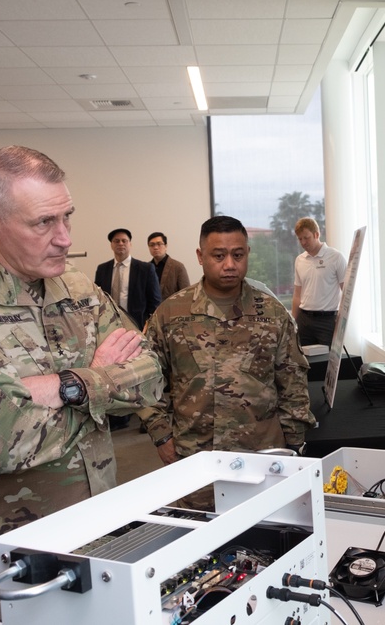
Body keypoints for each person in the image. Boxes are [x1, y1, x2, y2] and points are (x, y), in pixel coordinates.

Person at [0, 145, 164, 565]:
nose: (65, 238)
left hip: (98, 531)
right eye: (43, 222)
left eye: (67, 215)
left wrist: (67, 385)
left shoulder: (77, 288)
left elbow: (151, 376)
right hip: (5, 558)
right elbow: (6, 440)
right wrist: (102, 379)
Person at [141, 216, 315, 507]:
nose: (230, 264)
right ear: (200, 256)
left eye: (238, 255)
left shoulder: (272, 313)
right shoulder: (171, 314)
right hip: (194, 459)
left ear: (247, 253)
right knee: (199, 540)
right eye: (219, 256)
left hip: (262, 458)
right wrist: (161, 437)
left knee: (264, 536)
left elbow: (293, 382)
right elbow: (147, 381)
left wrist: (294, 446)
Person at [291, 217, 346, 346]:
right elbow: (297, 294)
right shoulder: (299, 260)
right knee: (304, 361)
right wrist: (293, 320)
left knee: (327, 363)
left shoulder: (336, 257)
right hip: (304, 320)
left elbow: (346, 292)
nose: (303, 242)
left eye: (306, 237)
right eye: (300, 239)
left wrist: (341, 321)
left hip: (327, 320)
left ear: (317, 234)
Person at [94, 228, 162, 330]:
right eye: (116, 241)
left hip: (138, 325)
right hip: (109, 326)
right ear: (111, 245)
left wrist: (149, 325)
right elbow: (98, 298)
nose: (120, 243)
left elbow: (155, 302)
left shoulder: (145, 269)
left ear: (130, 244)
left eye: (124, 241)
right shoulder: (102, 269)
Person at [147, 231, 191, 300]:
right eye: (152, 245)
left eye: (159, 244)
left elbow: (187, 294)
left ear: (166, 246)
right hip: (151, 310)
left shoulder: (178, 267)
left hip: (172, 309)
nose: (155, 247)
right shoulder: (146, 268)